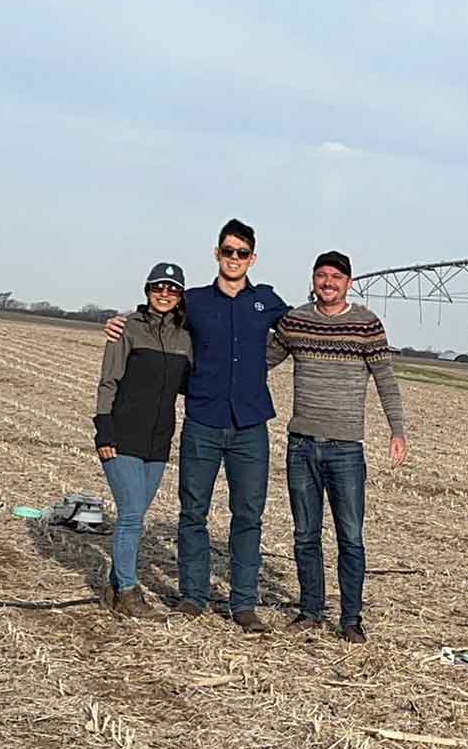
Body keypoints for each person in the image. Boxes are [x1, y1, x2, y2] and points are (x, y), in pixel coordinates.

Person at [104, 220, 290, 632]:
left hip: (250, 425)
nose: (234, 259)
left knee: (248, 516)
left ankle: (243, 604)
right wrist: (119, 322)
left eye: (242, 253)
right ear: (217, 254)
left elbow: (298, 332)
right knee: (193, 513)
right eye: (228, 251)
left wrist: (263, 365)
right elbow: (157, 316)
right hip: (202, 422)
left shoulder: (266, 301)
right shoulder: (196, 302)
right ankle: (193, 596)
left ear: (252, 258)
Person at [265, 250, 407, 643]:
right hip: (301, 445)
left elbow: (385, 379)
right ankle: (310, 610)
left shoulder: (366, 325)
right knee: (305, 534)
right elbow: (260, 360)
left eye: (336, 277)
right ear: (313, 280)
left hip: (345, 448)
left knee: (350, 536)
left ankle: (350, 619)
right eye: (321, 276)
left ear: (349, 282)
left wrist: (397, 430)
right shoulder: (296, 321)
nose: (328, 282)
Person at [93, 262, 194, 619]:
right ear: (147, 290)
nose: (164, 294)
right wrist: (103, 428)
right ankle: (130, 592)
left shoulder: (186, 336)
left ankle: (114, 585)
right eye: (158, 287)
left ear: (180, 295)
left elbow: (190, 383)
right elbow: (108, 382)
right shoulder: (126, 329)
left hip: (158, 440)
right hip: (122, 435)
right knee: (133, 514)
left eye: (172, 289)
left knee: (134, 515)